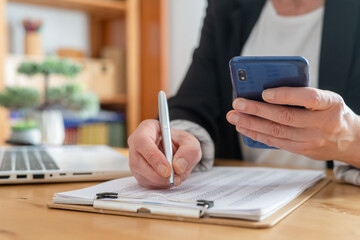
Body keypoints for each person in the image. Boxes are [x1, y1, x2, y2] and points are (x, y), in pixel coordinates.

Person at [128, 0, 360, 189]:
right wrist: (177, 139)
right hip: (246, 202)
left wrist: (351, 139)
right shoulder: (225, 7)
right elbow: (194, 103)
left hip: (336, 209)